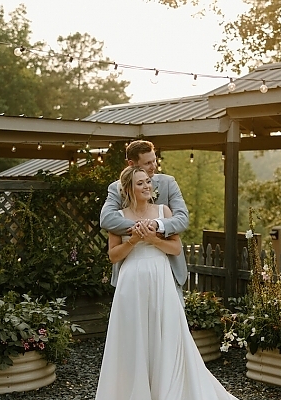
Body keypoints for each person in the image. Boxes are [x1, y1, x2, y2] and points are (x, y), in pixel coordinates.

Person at [95, 166, 239, 400]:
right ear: (130, 188)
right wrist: (132, 241)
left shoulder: (163, 211)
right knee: (134, 335)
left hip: (160, 276)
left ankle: (167, 388)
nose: (147, 186)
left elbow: (175, 248)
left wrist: (153, 239)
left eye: (148, 182)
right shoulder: (119, 218)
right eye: (140, 183)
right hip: (131, 281)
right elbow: (113, 256)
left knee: (166, 331)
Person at [100, 140, 189, 298]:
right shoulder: (117, 188)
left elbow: (182, 219)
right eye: (148, 163)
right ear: (132, 163)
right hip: (131, 272)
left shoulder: (169, 183)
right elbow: (107, 219)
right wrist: (141, 229)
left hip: (168, 267)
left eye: (154, 160)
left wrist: (157, 224)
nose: (153, 166)